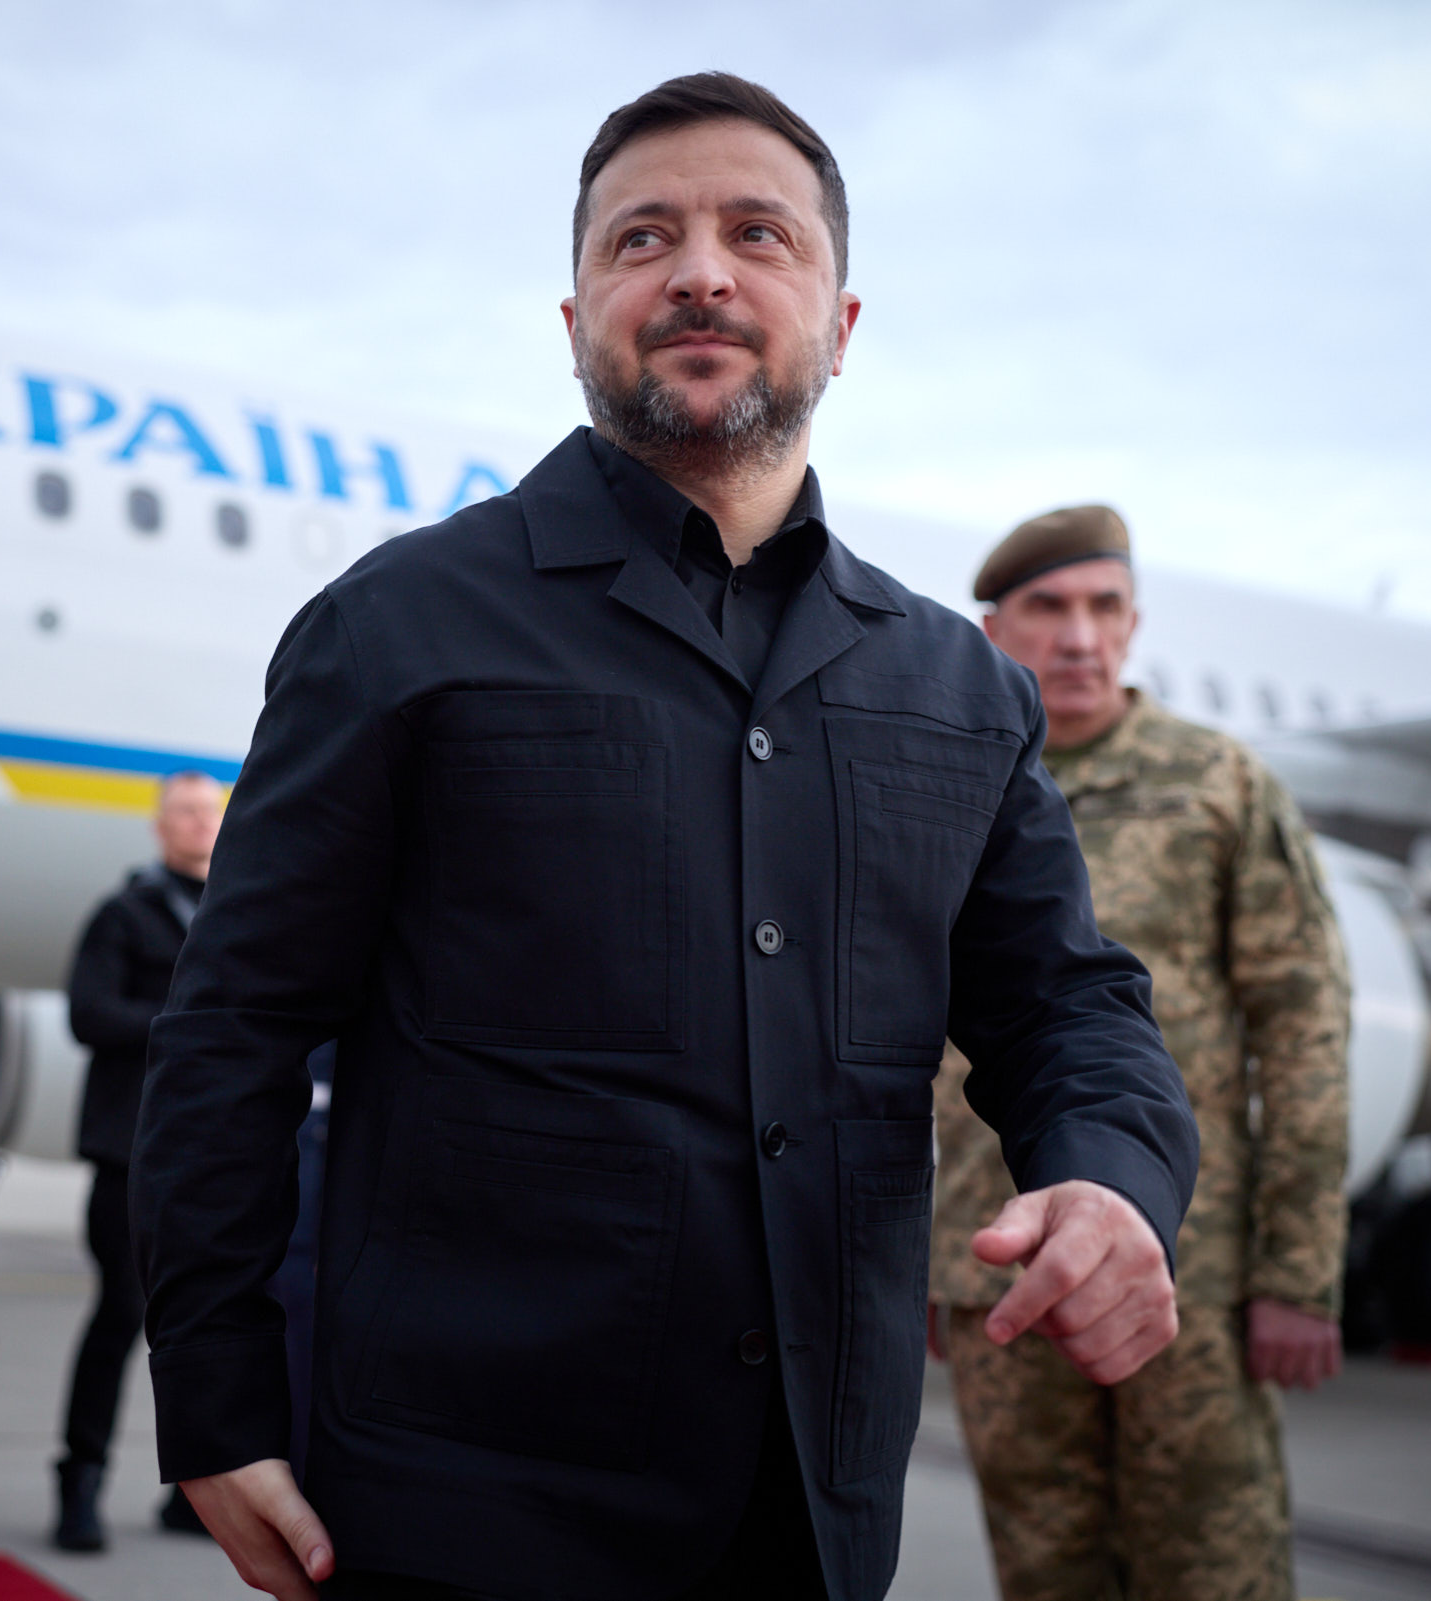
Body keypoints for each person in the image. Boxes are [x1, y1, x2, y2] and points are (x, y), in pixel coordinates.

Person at [131, 73, 1203, 1601]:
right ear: (578, 319)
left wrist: (1110, 1175)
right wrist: (217, 1393)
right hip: (465, 1516)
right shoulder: (396, 627)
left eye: (760, 234)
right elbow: (233, 1025)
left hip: (811, 1515)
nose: (701, 271)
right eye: (644, 238)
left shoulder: (961, 690)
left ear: (841, 323)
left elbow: (1068, 1005)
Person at [929, 505, 1352, 1601]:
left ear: (1133, 624)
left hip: (1185, 1271)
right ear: (992, 632)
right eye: (1049, 608)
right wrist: (926, 1258)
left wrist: (1297, 1272)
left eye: (1104, 607)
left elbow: (1303, 1028)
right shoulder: (950, 786)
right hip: (996, 1269)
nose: (1079, 637)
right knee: (1044, 1570)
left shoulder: (1216, 783)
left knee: (1214, 1571)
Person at [52, 769, 226, 1552]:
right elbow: (88, 1014)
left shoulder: (235, 914)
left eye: (210, 811)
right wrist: (185, 1021)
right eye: (184, 812)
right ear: (160, 825)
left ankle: (194, 1493)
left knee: (207, 1323)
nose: (199, 823)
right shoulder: (124, 913)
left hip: (211, 1156)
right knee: (123, 1310)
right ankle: (80, 1481)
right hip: (130, 1153)